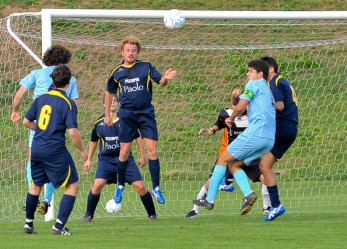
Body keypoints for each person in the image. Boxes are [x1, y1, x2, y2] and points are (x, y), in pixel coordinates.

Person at [194, 59, 275, 216]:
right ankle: (249, 195)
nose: (247, 74)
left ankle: (209, 200)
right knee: (233, 165)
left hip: (256, 133)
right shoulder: (267, 89)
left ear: (260, 74)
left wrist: (231, 118)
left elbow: (240, 106)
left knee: (223, 159)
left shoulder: (253, 85)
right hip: (269, 139)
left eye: (250, 71)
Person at [104, 36, 177, 205]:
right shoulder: (116, 72)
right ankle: (120, 186)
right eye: (128, 50)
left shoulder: (146, 67)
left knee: (152, 150)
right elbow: (109, 93)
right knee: (124, 151)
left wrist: (166, 78)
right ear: (122, 51)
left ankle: (156, 188)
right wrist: (107, 114)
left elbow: (161, 82)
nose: (131, 53)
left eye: (134, 50)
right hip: (127, 114)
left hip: (145, 114)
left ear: (138, 52)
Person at [11, 45, 79, 214]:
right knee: (54, 164)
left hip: (38, 122)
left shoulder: (36, 73)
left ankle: (32, 197)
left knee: (32, 159)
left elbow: (19, 95)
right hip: (56, 125)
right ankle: (47, 199)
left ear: (46, 59)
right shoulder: (70, 78)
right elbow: (75, 103)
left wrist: (15, 111)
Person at [22, 65, 87, 235]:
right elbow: (72, 132)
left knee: (36, 185)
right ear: (69, 81)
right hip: (54, 149)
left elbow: (26, 121)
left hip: (36, 148)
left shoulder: (41, 98)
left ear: (53, 80)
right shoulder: (68, 103)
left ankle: (28, 225)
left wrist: (42, 130)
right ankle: (58, 227)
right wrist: (82, 150)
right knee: (73, 185)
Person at [186, 93, 271, 218]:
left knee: (266, 177)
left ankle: (267, 207)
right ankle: (195, 210)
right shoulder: (226, 113)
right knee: (211, 181)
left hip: (247, 154)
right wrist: (208, 131)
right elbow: (215, 127)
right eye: (235, 105)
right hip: (229, 154)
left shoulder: (253, 116)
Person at [82, 95, 158, 222]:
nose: (112, 103)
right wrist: (88, 159)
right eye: (109, 101)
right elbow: (93, 140)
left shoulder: (126, 121)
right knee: (97, 185)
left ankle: (152, 214)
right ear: (104, 105)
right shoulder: (98, 123)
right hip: (106, 160)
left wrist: (143, 155)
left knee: (140, 187)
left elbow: (137, 136)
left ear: (118, 104)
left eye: (115, 101)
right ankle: (88, 215)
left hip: (126, 160)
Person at [259, 56, 299, 221]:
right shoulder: (283, 81)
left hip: (281, 128)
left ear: (271, 69)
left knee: (249, 148)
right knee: (264, 165)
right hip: (290, 128)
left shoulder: (274, 82)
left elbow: (280, 105)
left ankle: (228, 178)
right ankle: (275, 206)